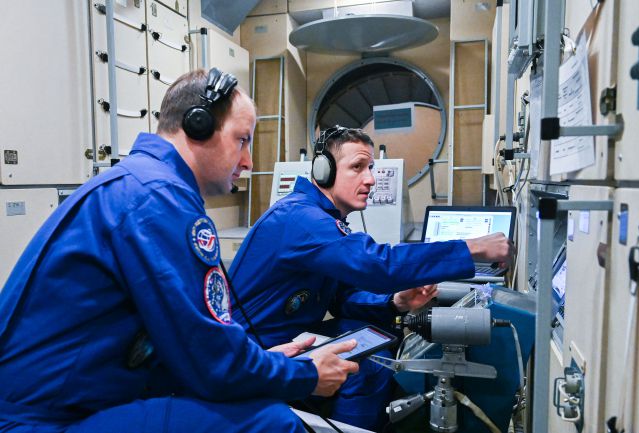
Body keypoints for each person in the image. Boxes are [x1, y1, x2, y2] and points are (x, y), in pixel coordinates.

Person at [0, 69, 360, 433]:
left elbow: (191, 348)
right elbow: (212, 362)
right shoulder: (156, 199)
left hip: (76, 401)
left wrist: (263, 364)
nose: (248, 161)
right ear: (198, 125)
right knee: (272, 423)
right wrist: (305, 375)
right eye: (241, 140)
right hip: (42, 423)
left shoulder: (142, 185)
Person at [229, 126, 515, 431]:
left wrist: (395, 302)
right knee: (369, 366)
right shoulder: (301, 218)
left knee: (374, 338)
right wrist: (471, 248)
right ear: (324, 171)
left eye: (371, 168)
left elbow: (342, 298)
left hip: (292, 338)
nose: (370, 179)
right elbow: (380, 265)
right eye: (357, 167)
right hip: (253, 353)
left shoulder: (324, 219)